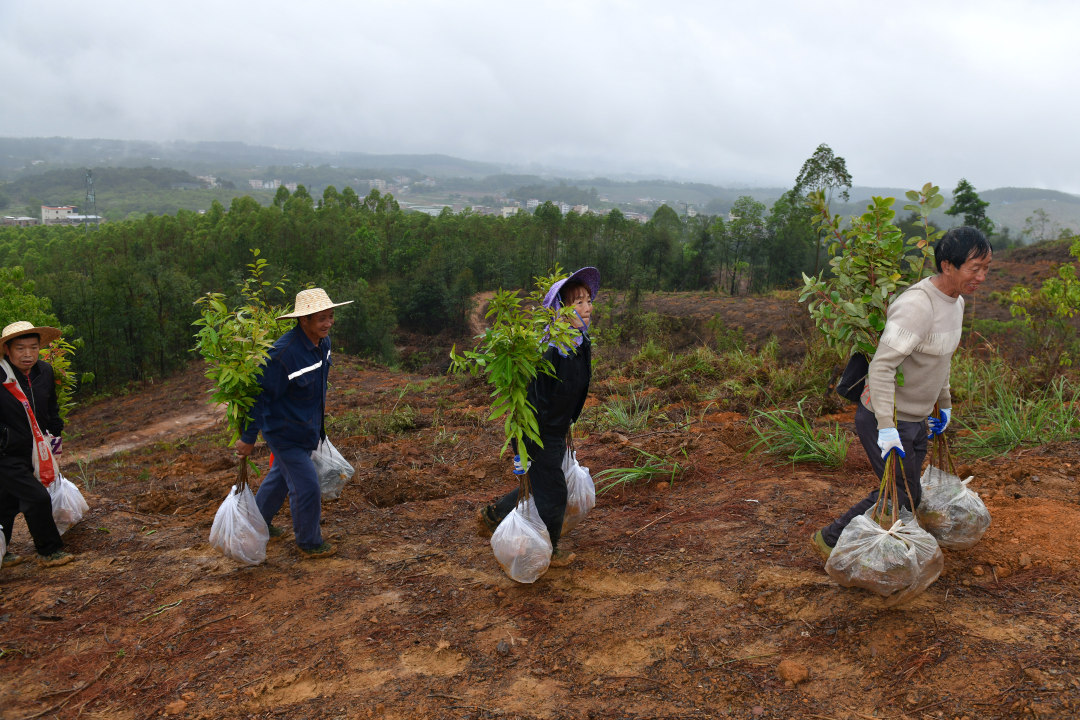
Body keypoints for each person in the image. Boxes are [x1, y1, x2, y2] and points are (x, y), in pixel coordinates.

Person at [811, 227, 993, 559]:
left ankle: (891, 539)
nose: (981, 276)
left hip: (917, 418)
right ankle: (831, 539)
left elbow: (942, 358)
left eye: (986, 268)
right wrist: (885, 426)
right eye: (974, 268)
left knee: (909, 490)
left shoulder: (957, 303)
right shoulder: (917, 306)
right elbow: (881, 367)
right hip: (887, 417)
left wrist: (945, 403)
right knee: (901, 491)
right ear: (947, 266)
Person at [476, 267, 599, 568]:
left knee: (543, 483)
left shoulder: (581, 344)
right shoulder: (549, 350)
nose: (587, 307)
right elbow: (534, 396)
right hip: (538, 430)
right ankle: (549, 547)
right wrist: (524, 441)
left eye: (588, 300)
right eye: (578, 302)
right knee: (555, 490)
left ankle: (493, 514)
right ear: (559, 311)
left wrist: (569, 421)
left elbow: (575, 389)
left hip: (558, 429)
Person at [234, 288, 352, 559]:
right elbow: (259, 399)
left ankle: (258, 522)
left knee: (280, 478)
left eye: (330, 317)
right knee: (306, 485)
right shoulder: (282, 355)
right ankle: (309, 543)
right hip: (284, 432)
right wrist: (249, 438)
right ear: (303, 320)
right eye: (321, 318)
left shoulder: (324, 343)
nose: (328, 323)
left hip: (308, 429)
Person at [0, 321, 73, 568]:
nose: (28, 354)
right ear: (7, 350)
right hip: (5, 452)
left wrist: (55, 434)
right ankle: (49, 550)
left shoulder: (45, 372)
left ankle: (3, 549)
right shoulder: (1, 376)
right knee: (37, 497)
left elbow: (51, 406)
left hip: (36, 449)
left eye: (33, 347)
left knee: (7, 501)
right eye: (20, 348)